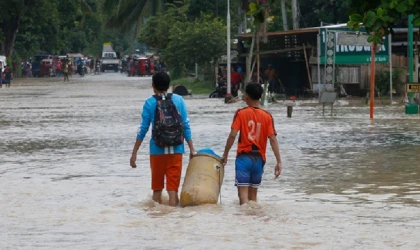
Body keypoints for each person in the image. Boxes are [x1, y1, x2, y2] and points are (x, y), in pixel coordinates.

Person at [130, 72, 195, 207]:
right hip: (176, 150)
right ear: (169, 85)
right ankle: (173, 221)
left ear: (153, 85)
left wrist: (134, 152)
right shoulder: (179, 100)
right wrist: (192, 149)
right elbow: (186, 125)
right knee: (173, 191)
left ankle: (157, 221)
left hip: (157, 151)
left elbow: (143, 129)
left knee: (157, 190)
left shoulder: (149, 102)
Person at [221, 83, 282, 205]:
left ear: (247, 96)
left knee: (243, 199)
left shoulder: (240, 113)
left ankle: (244, 223)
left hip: (244, 159)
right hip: (259, 160)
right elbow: (273, 139)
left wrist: (225, 154)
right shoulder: (267, 116)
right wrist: (279, 161)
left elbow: (233, 135)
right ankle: (254, 221)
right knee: (253, 198)